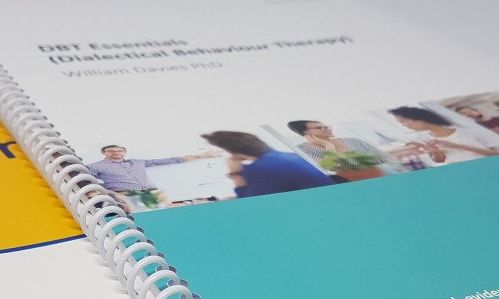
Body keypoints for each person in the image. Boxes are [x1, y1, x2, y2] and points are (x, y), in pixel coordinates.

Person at [200, 131, 333, 198]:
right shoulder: (290, 156)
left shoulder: (259, 169)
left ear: (232, 153)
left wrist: (236, 174)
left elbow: (253, 205)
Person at [388, 106, 499, 166]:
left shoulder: (469, 130)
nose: (403, 125)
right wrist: (435, 151)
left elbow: (496, 154)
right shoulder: (424, 138)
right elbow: (440, 160)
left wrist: (457, 146)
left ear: (420, 119)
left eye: (403, 121)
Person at [87, 144, 218, 192]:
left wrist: (202, 155)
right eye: (111, 151)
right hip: (126, 195)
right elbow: (86, 182)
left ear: (125, 152)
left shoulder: (137, 162)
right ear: (104, 153)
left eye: (120, 150)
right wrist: (110, 189)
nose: (116, 153)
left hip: (153, 192)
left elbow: (169, 160)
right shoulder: (96, 166)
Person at [287, 120, 393, 168]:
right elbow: (330, 168)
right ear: (305, 132)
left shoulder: (354, 141)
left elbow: (388, 159)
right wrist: (328, 146)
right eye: (320, 128)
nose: (327, 129)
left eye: (326, 126)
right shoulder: (302, 150)